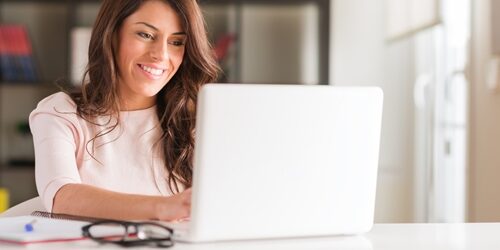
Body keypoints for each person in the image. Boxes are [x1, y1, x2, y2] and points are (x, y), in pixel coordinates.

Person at [29, 0, 219, 221]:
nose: (161, 54)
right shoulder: (61, 112)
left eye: (176, 42)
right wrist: (163, 207)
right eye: (146, 35)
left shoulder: (198, 120)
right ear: (112, 33)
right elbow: (61, 197)